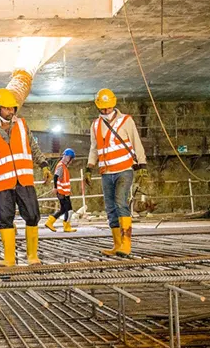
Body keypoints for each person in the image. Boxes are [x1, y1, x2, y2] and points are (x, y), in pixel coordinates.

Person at [0, 88, 52, 266]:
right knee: (4, 219)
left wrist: (44, 166)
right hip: (2, 184)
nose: (11, 112)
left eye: (13, 109)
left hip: (24, 180)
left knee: (32, 216)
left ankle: (32, 256)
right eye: (7, 108)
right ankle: (9, 259)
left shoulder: (22, 126)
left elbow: (33, 147)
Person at [84, 89, 146, 257]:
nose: (106, 111)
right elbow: (94, 148)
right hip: (106, 172)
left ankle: (126, 244)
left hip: (124, 169)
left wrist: (142, 165)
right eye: (103, 108)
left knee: (120, 203)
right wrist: (89, 167)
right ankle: (117, 245)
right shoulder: (96, 125)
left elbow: (136, 142)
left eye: (109, 107)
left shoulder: (126, 121)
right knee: (111, 208)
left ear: (114, 104)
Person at [45, 148, 77, 233]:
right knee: (69, 210)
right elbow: (56, 176)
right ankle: (67, 226)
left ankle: (49, 222)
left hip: (63, 192)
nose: (72, 161)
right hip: (62, 192)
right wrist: (55, 188)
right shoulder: (61, 166)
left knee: (63, 209)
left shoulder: (63, 166)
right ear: (68, 157)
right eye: (71, 159)